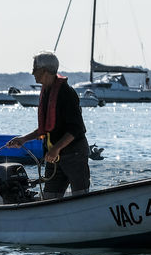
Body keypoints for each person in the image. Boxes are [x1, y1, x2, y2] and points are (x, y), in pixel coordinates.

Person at [6, 51, 90, 199]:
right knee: (50, 197)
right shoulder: (46, 92)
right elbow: (45, 128)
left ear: (44, 71)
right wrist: (23, 139)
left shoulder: (67, 93)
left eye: (34, 68)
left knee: (80, 196)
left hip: (73, 155)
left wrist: (56, 149)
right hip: (53, 157)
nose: (32, 73)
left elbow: (76, 128)